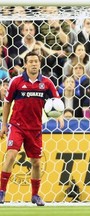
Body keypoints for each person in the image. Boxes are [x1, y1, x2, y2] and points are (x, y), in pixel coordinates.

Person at [0, 52, 64, 206]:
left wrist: (60, 116)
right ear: (26, 64)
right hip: (17, 126)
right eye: (31, 61)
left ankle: (35, 195)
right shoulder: (16, 81)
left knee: (36, 162)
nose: (34, 64)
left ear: (40, 64)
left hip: (35, 128)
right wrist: (4, 124)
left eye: (36, 61)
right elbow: (7, 103)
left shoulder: (47, 83)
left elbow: (56, 102)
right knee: (11, 155)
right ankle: (2, 192)